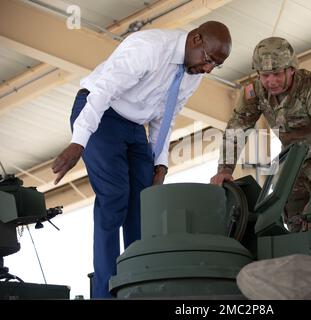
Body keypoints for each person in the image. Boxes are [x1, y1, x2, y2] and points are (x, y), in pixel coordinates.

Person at [52, 21, 232, 298]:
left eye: (215, 66)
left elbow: (167, 115)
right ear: (196, 39)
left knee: (143, 203)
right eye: (208, 60)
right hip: (101, 114)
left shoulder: (192, 72)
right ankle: (106, 292)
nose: (208, 69)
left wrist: (160, 163)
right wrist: (79, 141)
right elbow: (102, 92)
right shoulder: (148, 48)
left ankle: (138, 288)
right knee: (114, 198)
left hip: (135, 126)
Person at [210, 37, 311, 232]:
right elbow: (237, 128)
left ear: (291, 69)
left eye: (276, 73)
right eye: (265, 75)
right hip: (295, 151)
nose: (271, 81)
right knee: (289, 201)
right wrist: (225, 169)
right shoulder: (255, 92)